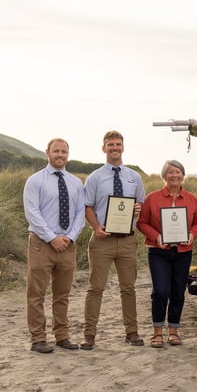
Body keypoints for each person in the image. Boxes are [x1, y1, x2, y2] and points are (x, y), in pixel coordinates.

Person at [80, 130, 146, 349]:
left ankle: (132, 332)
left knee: (128, 288)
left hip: (127, 241)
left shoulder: (133, 177)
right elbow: (87, 205)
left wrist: (138, 208)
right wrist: (96, 227)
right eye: (110, 145)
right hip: (102, 240)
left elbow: (141, 204)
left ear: (123, 147)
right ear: (104, 148)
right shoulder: (95, 177)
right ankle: (89, 335)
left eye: (118, 144)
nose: (114, 148)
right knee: (95, 288)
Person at [23, 138, 86, 353]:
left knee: (62, 294)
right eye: (56, 151)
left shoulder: (76, 182)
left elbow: (80, 213)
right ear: (47, 153)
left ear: (68, 154)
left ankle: (62, 335)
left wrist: (70, 237)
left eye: (64, 151)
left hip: (67, 245)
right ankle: (38, 338)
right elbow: (32, 213)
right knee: (36, 293)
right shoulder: (35, 181)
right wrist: (52, 238)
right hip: (42, 243)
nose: (60, 155)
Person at [136, 160, 197, 349]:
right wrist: (156, 236)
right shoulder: (153, 198)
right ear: (164, 176)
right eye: (171, 172)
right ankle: (157, 331)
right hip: (159, 252)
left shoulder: (191, 199)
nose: (175, 175)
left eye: (178, 172)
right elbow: (142, 222)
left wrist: (192, 234)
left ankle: (173, 330)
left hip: (183, 252)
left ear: (183, 175)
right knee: (161, 291)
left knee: (177, 292)